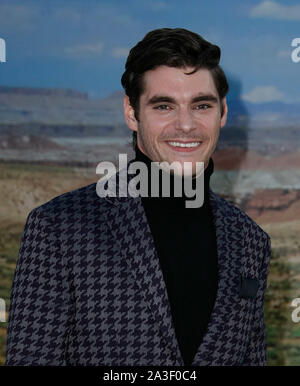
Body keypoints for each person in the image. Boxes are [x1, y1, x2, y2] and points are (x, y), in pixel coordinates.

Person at [5, 28, 271, 366]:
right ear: (132, 113)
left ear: (222, 113)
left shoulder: (251, 241)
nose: (186, 125)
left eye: (201, 105)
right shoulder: (59, 229)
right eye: (164, 106)